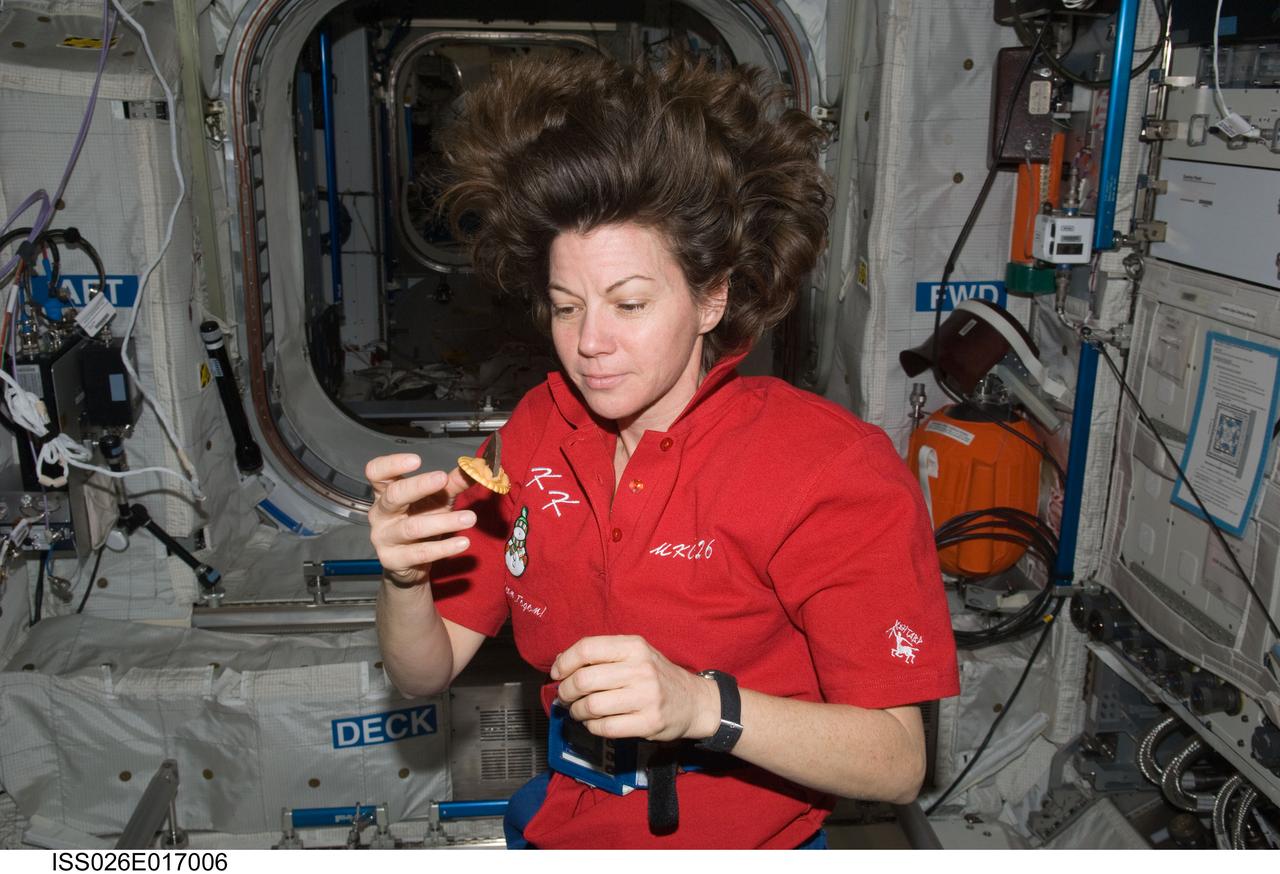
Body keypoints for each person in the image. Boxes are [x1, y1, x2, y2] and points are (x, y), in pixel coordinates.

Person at [366, 52, 959, 849]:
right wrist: (404, 580)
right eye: (567, 307)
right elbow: (423, 673)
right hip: (559, 828)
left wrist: (699, 706)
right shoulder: (535, 433)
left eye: (630, 303)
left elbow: (897, 763)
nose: (590, 345)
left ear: (713, 296)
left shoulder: (830, 470)